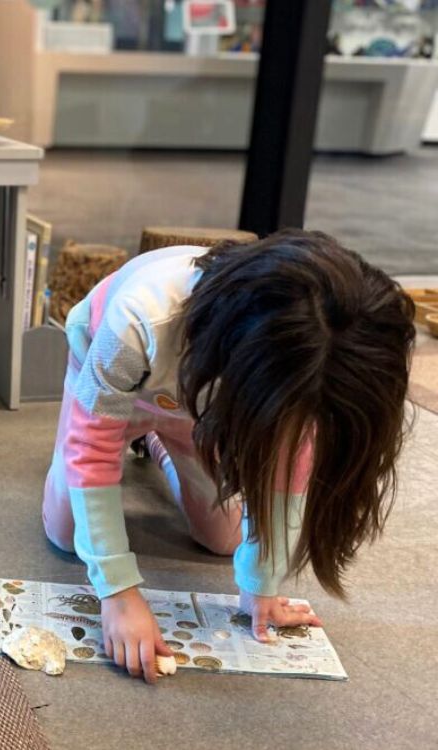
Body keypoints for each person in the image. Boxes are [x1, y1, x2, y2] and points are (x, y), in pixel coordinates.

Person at [42, 230, 415, 684]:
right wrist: (117, 592)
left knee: (224, 539)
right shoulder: (137, 320)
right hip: (112, 382)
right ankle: (145, 434)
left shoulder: (308, 366)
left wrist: (261, 585)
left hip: (202, 407)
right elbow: (91, 449)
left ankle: (158, 444)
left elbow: (288, 467)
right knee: (65, 534)